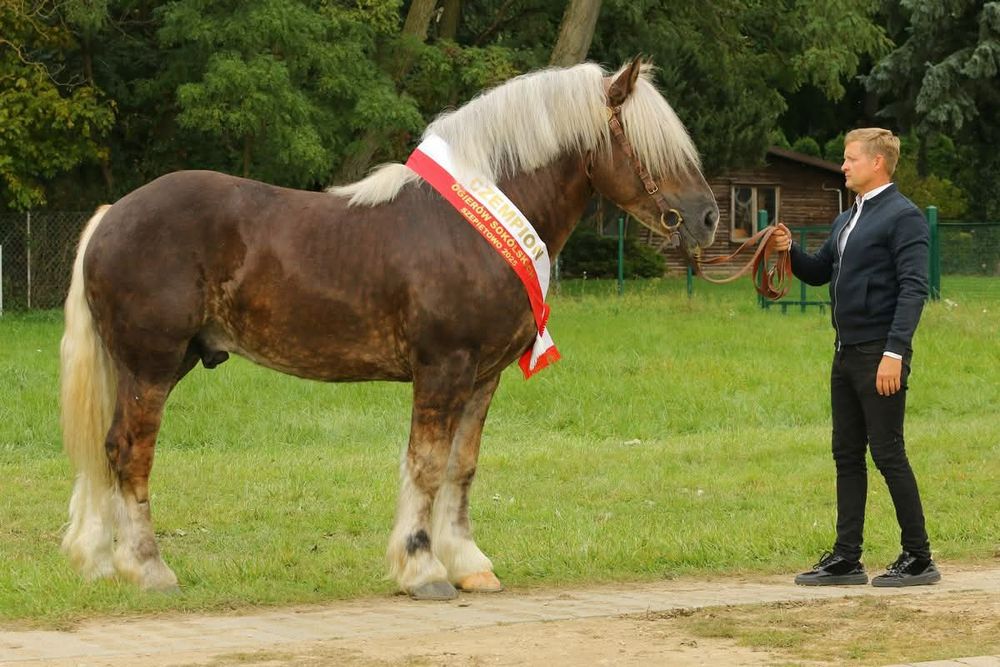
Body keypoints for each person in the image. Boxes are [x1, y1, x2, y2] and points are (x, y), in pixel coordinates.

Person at [771, 128, 940, 587]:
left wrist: (895, 353)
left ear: (877, 163)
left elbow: (913, 289)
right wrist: (789, 254)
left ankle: (919, 557)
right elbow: (819, 272)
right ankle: (847, 558)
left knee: (888, 453)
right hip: (845, 354)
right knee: (846, 454)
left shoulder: (903, 218)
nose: (843, 167)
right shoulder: (847, 219)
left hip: (879, 355)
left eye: (849, 159)